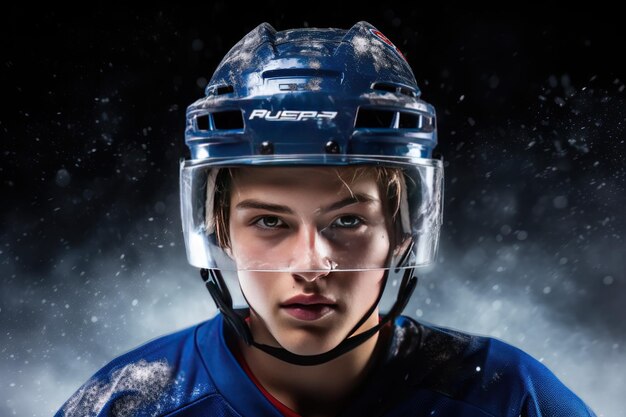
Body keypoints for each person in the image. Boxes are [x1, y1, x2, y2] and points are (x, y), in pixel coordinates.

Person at [54, 21, 597, 417]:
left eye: (347, 222)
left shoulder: (509, 396)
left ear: (404, 230)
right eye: (269, 222)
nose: (311, 265)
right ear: (219, 229)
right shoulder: (127, 405)